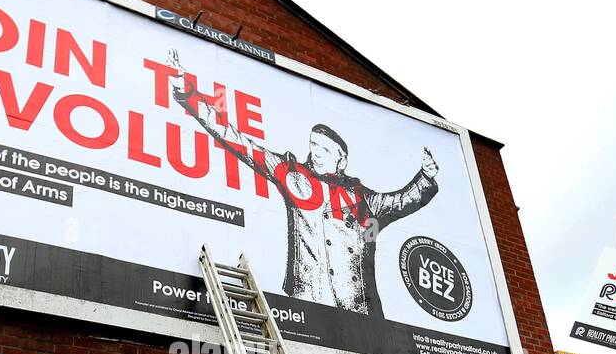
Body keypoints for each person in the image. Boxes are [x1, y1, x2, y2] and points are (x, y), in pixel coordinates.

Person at [167, 49, 438, 316]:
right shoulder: (292, 174)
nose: (316, 152)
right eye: (313, 145)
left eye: (325, 149)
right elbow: (238, 141)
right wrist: (188, 95)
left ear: (341, 160)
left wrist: (425, 176)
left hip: (359, 310)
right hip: (307, 303)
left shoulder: (363, 197)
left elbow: (402, 200)